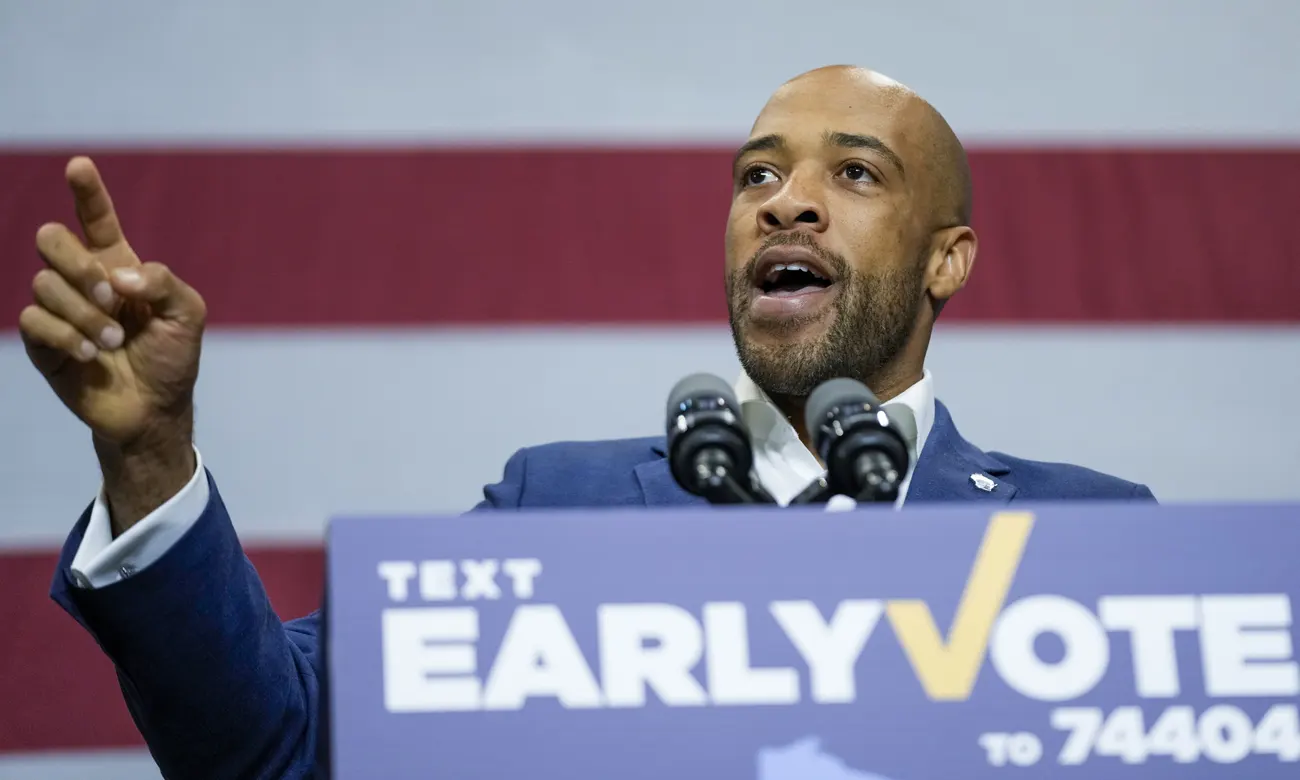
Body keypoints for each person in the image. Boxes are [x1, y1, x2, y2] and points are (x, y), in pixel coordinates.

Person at [20, 66, 1154, 778]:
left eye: (853, 172)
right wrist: (148, 449)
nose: (784, 199)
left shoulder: (1096, 542)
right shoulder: (552, 510)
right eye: (755, 172)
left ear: (946, 259)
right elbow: (273, 749)